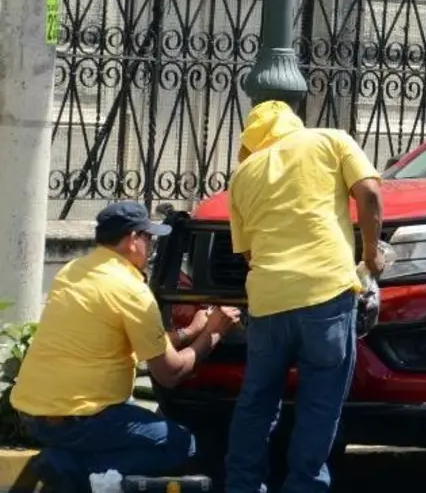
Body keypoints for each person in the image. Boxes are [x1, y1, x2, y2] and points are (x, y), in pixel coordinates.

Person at [11, 201, 240, 493]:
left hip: (33, 414)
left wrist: (192, 331)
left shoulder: (74, 271)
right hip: (80, 420)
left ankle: (66, 462)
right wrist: (214, 334)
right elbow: (169, 373)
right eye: (149, 238)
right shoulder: (130, 290)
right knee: (181, 444)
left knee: (127, 415)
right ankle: (71, 470)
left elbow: (144, 345)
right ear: (134, 240)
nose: (152, 246)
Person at [223, 100, 385, 493]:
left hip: (267, 302)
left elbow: (248, 253)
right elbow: (368, 194)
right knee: (320, 406)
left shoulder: (242, 175)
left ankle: (242, 485)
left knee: (257, 403)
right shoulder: (331, 140)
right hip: (326, 294)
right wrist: (370, 255)